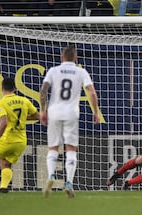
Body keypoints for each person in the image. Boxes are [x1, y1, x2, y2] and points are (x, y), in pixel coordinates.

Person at [40, 45, 100, 198]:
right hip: (71, 113)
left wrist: (43, 109)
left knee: (53, 147)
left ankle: (51, 176)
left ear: (62, 57)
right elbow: (91, 92)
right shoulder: (81, 71)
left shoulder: (53, 70)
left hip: (54, 111)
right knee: (71, 148)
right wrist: (96, 112)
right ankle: (69, 183)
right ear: (76, 58)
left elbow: (43, 89)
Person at [0, 77, 40, 193]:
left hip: (8, 139)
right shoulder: (25, 101)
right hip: (21, 141)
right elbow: (38, 116)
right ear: (15, 89)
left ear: (1, 89)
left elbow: (4, 122)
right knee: (6, 163)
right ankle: (3, 187)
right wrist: (20, 119)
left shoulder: (0, 103)